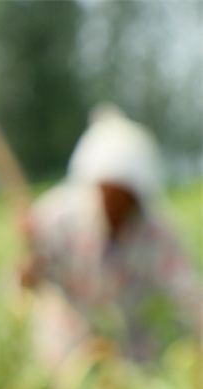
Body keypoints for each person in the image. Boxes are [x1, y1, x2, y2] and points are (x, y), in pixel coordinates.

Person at [21, 106, 202, 367]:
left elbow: (189, 295)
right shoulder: (56, 219)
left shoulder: (157, 234)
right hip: (69, 354)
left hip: (130, 355)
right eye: (108, 193)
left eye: (125, 196)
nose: (115, 204)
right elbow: (21, 282)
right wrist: (28, 271)